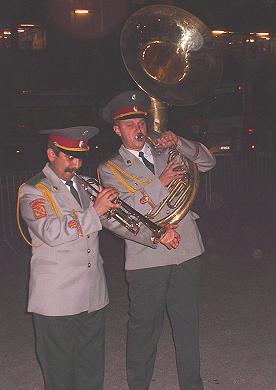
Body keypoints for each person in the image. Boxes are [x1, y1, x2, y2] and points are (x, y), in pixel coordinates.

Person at [18, 126, 180, 390]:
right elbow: (50, 231)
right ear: (51, 154)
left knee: (92, 373)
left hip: (93, 294)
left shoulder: (88, 184)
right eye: (69, 157)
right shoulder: (34, 190)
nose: (76, 163)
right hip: (56, 300)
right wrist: (95, 212)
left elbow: (118, 222)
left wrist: (155, 236)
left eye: (80, 157)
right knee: (60, 376)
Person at [98, 90, 216, 390]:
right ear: (117, 130)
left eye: (140, 122)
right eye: (129, 125)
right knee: (143, 331)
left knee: (187, 326)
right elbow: (119, 212)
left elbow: (207, 162)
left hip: (187, 249)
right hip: (146, 257)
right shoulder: (109, 169)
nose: (137, 129)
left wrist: (181, 142)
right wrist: (159, 182)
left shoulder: (168, 151)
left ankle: (193, 385)